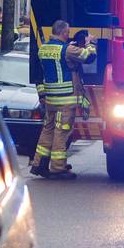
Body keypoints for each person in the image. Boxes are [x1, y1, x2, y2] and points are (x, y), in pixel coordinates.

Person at [30, 20, 84, 180]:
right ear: (64, 33)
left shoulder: (43, 49)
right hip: (65, 99)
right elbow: (88, 57)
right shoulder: (66, 49)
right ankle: (58, 167)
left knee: (48, 130)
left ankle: (39, 164)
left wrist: (42, 95)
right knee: (62, 132)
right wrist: (91, 43)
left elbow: (39, 75)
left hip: (51, 99)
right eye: (68, 32)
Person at [66, 29, 97, 120]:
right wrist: (89, 43)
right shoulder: (72, 50)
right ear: (81, 41)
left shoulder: (71, 47)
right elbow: (90, 58)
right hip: (68, 96)